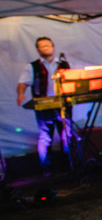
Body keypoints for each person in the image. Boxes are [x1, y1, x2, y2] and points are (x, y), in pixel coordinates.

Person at [15, 36, 71, 174]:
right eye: (42, 46)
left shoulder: (62, 64)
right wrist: (21, 94)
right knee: (46, 136)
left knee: (67, 134)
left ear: (53, 47)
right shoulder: (32, 66)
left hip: (62, 103)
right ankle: (47, 169)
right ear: (38, 50)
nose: (45, 48)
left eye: (47, 45)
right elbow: (23, 82)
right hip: (44, 104)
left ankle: (69, 165)